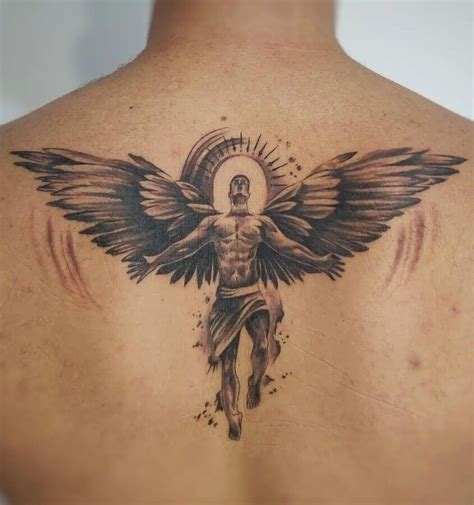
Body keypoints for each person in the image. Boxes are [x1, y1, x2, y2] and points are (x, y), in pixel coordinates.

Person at [0, 1, 472, 504]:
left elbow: (288, 245)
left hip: (250, 294)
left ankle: (255, 382)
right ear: (229, 190)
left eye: (246, 185)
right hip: (227, 298)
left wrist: (316, 261)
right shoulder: (214, 223)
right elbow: (184, 244)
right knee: (225, 362)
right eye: (237, 185)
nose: (242, 190)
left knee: (263, 339)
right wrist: (157, 260)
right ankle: (230, 408)